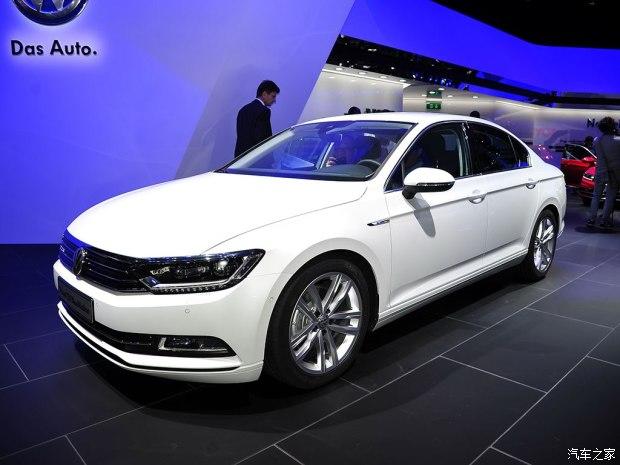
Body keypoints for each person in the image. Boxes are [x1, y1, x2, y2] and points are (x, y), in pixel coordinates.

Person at [586, 116, 620, 228]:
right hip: (614, 172)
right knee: (610, 197)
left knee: (596, 196)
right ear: (613, 126)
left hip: (600, 171)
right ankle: (604, 220)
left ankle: (591, 219)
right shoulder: (618, 141)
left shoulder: (597, 140)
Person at [234, 80, 280, 157]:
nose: (274, 101)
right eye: (273, 96)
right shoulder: (264, 111)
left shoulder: (243, 110)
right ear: (264, 94)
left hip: (240, 158)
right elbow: (263, 140)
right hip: (255, 159)